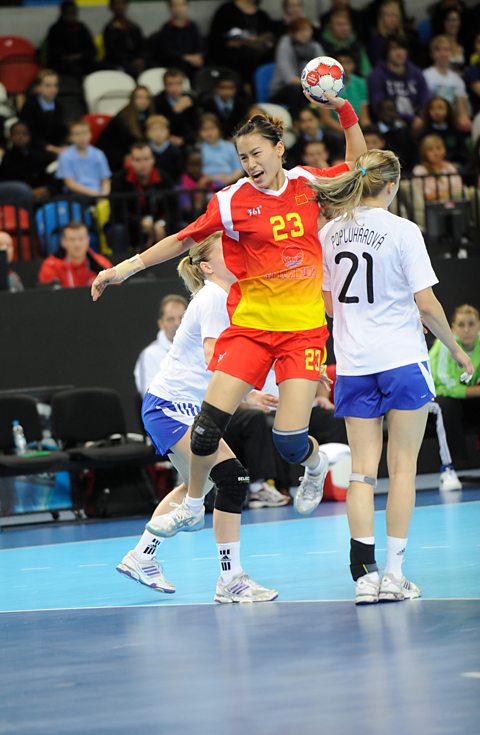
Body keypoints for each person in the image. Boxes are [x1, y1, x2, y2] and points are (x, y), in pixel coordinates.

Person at [91, 94, 368, 528]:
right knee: (204, 430)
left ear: (279, 149)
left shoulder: (308, 183)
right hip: (253, 328)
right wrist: (123, 269)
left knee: (290, 440)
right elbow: (183, 238)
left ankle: (315, 464)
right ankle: (191, 504)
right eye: (243, 157)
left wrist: (344, 110)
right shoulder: (231, 200)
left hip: (303, 332)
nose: (250, 163)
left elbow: (357, 165)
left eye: (257, 153)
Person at [309, 147, 473, 604]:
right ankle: (395, 575)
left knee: (362, 473)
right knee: (402, 468)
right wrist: (457, 350)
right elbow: (426, 305)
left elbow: (325, 304)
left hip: (355, 365)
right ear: (394, 186)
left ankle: (364, 575)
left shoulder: (329, 234)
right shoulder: (403, 230)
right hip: (401, 359)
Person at [117, 232, 280, 601]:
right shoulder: (211, 297)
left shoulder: (230, 297)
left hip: (188, 408)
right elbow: (213, 358)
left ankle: (142, 556)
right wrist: (249, 391)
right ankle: (231, 580)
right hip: (170, 407)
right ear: (207, 266)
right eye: (228, 249)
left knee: (201, 483)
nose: (238, 250)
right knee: (233, 477)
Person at [429, 304, 480, 470]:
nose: (466, 329)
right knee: (448, 405)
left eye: (471, 324)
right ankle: (448, 467)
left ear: (478, 325)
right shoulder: (445, 345)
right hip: (436, 400)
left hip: (465, 402)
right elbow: (446, 386)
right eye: (461, 325)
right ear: (453, 328)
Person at [108, 141, 177, 251]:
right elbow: (117, 212)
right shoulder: (118, 180)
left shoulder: (164, 179)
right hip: (131, 228)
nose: (142, 164)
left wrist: (161, 223)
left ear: (153, 160)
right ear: (131, 161)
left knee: (181, 227)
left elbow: (174, 209)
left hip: (160, 226)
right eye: (138, 160)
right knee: (118, 230)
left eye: (146, 159)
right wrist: (140, 222)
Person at [367, 35, 430, 134]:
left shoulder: (416, 73)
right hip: (391, 124)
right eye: (394, 49)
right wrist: (409, 119)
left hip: (419, 122)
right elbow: (378, 106)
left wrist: (421, 118)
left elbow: (425, 99)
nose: (399, 52)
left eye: (402, 48)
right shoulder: (377, 75)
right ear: (386, 52)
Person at [134, 293, 188, 395]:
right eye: (170, 319)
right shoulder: (149, 355)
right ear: (161, 323)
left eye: (182, 317)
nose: (177, 323)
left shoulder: (203, 348)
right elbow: (149, 395)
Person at [269, 18, 325, 115]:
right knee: (296, 88)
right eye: (300, 31)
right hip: (282, 90)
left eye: (307, 30)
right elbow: (289, 79)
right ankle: (296, 122)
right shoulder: (285, 44)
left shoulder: (314, 46)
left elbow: (324, 70)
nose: (305, 34)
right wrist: (312, 84)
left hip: (306, 88)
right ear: (292, 33)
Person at [96, 86, 155, 172]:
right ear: (132, 100)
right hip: (118, 158)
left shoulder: (150, 115)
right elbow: (109, 145)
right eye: (139, 97)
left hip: (140, 155)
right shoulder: (122, 119)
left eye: (146, 98)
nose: (143, 101)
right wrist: (127, 157)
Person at [38, 221, 112, 288]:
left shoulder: (101, 263)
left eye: (81, 239)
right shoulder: (51, 266)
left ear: (88, 240)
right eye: (72, 239)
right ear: (63, 242)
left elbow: (114, 291)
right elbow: (47, 295)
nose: (77, 244)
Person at [423, 35, 472, 133]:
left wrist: (464, 118)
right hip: (432, 121)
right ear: (432, 54)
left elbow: (461, 104)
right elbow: (425, 104)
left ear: (451, 53)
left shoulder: (457, 79)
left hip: (452, 122)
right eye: (438, 50)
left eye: (446, 50)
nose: (442, 54)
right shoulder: (425, 75)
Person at [147, 0, 204, 82]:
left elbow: (200, 46)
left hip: (194, 65)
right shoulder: (166, 29)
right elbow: (166, 51)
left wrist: (198, 56)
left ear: (187, 6)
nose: (179, 8)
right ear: (170, 8)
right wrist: (186, 57)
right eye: (175, 5)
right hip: (175, 65)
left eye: (182, 5)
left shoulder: (193, 26)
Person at [0, 121, 56, 200]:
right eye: (16, 133)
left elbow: (47, 177)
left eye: (24, 133)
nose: (20, 137)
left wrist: (47, 188)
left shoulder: (39, 156)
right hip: (16, 199)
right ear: (11, 137)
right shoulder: (6, 158)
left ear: (30, 136)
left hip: (40, 195)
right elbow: (7, 183)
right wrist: (29, 192)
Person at [56, 120, 112, 198]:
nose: (82, 137)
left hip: (99, 194)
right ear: (70, 137)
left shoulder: (99, 154)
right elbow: (70, 184)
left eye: (85, 132)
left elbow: (106, 180)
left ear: (90, 134)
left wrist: (104, 194)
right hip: (76, 196)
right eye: (77, 134)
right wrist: (95, 195)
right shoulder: (65, 156)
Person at [19, 70, 68, 156]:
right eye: (48, 85)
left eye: (55, 85)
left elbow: (63, 130)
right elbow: (29, 135)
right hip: (35, 150)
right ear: (38, 87)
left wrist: (63, 146)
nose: (53, 89)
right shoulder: (29, 106)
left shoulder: (58, 105)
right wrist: (51, 148)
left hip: (56, 148)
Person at [44, 0, 96, 79]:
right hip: (61, 64)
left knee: (103, 67)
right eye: (68, 13)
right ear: (62, 13)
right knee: (76, 71)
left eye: (73, 12)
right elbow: (55, 54)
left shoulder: (81, 27)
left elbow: (92, 49)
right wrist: (70, 58)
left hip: (82, 60)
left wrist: (80, 56)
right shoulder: (55, 29)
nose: (71, 16)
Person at [153, 68, 198, 148]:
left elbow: (195, 126)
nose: (174, 88)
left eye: (178, 84)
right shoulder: (157, 101)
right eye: (170, 84)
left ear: (183, 84)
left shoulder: (191, 99)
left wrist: (184, 140)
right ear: (164, 86)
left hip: (186, 141)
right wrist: (175, 111)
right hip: (163, 141)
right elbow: (158, 126)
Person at [197, 113, 243, 189]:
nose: (209, 132)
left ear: (219, 129)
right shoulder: (199, 149)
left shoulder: (229, 146)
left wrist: (229, 179)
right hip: (206, 187)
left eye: (212, 128)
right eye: (204, 129)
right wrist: (211, 179)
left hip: (229, 184)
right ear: (199, 132)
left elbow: (239, 169)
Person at [413, 134, 463, 202]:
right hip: (432, 208)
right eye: (430, 149)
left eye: (439, 148)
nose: (436, 152)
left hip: (455, 204)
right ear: (424, 153)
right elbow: (424, 196)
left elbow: (459, 189)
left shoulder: (450, 167)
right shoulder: (419, 170)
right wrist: (448, 195)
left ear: (444, 150)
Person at [103, 0, 145, 78]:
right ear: (111, 7)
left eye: (122, 4)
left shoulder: (134, 27)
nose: (120, 7)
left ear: (126, 6)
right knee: (130, 69)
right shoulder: (109, 29)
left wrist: (141, 58)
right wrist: (131, 60)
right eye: (116, 4)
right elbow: (112, 52)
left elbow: (142, 46)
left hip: (136, 60)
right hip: (120, 62)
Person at [145, 115, 183, 183]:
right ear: (147, 133)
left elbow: (178, 173)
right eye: (153, 130)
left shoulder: (175, 152)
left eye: (161, 129)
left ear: (168, 131)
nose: (158, 133)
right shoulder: (145, 151)